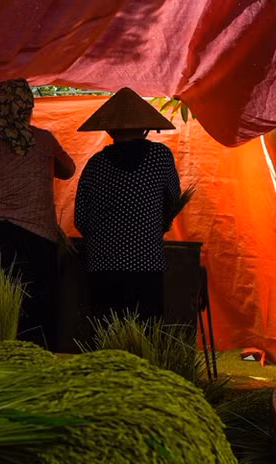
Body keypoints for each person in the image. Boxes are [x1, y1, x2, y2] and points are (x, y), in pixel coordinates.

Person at [0, 78, 75, 350]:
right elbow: (69, 170)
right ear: (28, 106)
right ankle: (41, 367)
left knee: (3, 309)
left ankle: (3, 365)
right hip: (37, 239)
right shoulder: (43, 141)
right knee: (40, 308)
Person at [73, 88, 180, 323]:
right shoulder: (160, 156)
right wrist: (156, 228)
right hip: (147, 263)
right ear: (145, 128)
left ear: (110, 129)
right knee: (146, 336)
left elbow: (80, 218)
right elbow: (173, 199)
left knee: (107, 339)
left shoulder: (95, 165)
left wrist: (102, 243)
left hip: (103, 266)